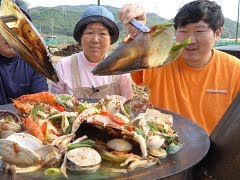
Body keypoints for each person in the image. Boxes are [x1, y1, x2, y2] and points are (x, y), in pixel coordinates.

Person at [121, 0, 240, 135]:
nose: (190, 40)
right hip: (162, 144)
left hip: (213, 150)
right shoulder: (161, 59)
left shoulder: (235, 70)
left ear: (217, 33)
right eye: (183, 31)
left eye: (199, 31)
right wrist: (136, 31)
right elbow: (130, 59)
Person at [50, 5, 145, 100]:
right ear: (81, 37)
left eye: (102, 33)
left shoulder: (120, 69)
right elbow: (53, 104)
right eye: (89, 33)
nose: (95, 40)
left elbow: (128, 105)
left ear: (110, 39)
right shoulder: (64, 66)